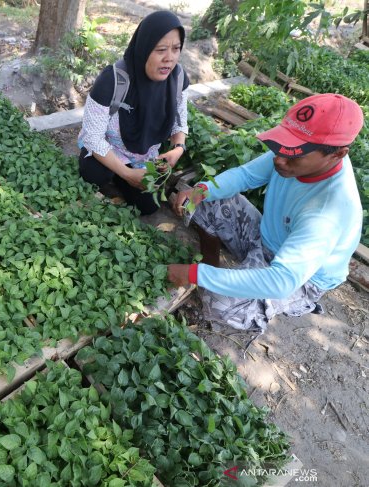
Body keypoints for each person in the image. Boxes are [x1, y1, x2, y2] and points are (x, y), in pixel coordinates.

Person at [167, 93, 364, 332]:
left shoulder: (327, 212)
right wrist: (201, 190)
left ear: (337, 154)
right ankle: (214, 272)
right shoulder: (298, 152)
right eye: (281, 146)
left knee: (220, 304)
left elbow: (282, 280)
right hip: (267, 238)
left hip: (302, 277)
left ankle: (243, 304)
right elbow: (246, 175)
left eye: (294, 153)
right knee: (207, 199)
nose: (279, 159)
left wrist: (194, 273)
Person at [78, 10, 190, 215]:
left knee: (149, 206)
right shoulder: (112, 80)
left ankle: (125, 177)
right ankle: (118, 175)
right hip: (110, 148)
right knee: (94, 174)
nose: (169, 58)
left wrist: (178, 148)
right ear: (144, 48)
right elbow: (93, 136)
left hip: (143, 155)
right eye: (161, 50)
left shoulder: (177, 78)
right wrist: (127, 173)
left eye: (176, 49)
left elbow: (179, 121)